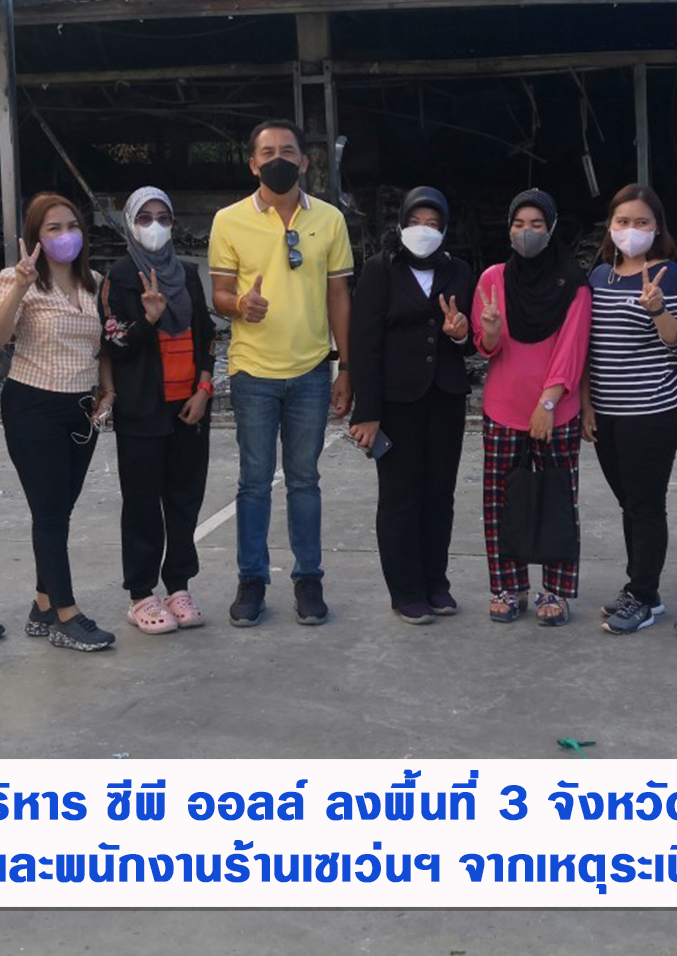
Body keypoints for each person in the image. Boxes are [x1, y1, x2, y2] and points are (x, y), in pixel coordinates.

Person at [208, 120, 354, 628]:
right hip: (253, 372)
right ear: (252, 164)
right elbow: (219, 293)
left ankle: (308, 579)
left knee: (305, 480)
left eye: (288, 151)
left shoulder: (330, 220)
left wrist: (345, 367)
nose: (278, 160)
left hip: (312, 371)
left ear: (305, 161)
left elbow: (339, 296)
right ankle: (251, 581)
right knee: (253, 482)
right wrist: (239, 305)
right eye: (267, 152)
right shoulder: (229, 220)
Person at [0, 192, 116, 653]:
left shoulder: (94, 282)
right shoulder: (16, 279)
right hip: (34, 404)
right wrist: (20, 286)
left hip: (81, 408)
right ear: (35, 236)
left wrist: (108, 391)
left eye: (72, 226)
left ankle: (42, 604)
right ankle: (66, 614)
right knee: (50, 512)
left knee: (61, 509)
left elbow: (102, 346)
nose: (65, 236)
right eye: (53, 228)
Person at [346, 186, 476, 624]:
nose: (424, 230)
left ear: (445, 229)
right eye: (416, 222)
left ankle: (436, 583)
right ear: (401, 224)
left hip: (445, 398)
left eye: (433, 224)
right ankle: (405, 590)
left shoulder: (459, 271)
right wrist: (367, 412)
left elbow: (472, 339)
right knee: (400, 497)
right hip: (395, 402)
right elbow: (364, 343)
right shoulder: (380, 270)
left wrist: (461, 333)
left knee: (440, 495)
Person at [581, 184, 677, 635]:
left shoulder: (671, 277)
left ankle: (645, 596)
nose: (631, 229)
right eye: (623, 221)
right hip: (606, 412)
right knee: (628, 502)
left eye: (642, 222)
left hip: (652, 411)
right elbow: (587, 347)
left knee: (646, 504)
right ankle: (638, 586)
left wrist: (658, 311)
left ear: (657, 228)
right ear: (610, 226)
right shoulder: (598, 277)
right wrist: (587, 405)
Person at [475, 189, 591, 627]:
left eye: (536, 225)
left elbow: (572, 348)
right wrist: (490, 332)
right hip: (503, 408)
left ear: (551, 228)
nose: (527, 232)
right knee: (500, 502)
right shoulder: (493, 279)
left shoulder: (573, 283)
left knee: (558, 500)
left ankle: (555, 590)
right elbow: (486, 348)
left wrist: (548, 402)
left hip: (556, 410)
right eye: (519, 224)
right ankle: (509, 586)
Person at [101, 186, 215, 635]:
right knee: (143, 503)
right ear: (130, 224)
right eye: (144, 217)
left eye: (163, 218)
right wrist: (148, 320)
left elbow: (206, 334)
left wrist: (204, 389)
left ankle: (178, 586)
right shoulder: (120, 276)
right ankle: (141, 594)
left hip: (189, 406)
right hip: (142, 408)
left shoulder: (186, 274)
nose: (155, 226)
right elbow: (115, 343)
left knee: (184, 500)